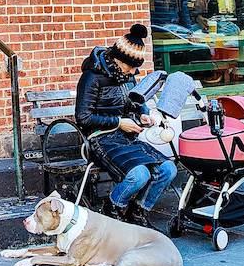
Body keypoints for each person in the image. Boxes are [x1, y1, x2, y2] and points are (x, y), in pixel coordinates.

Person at [74, 23, 178, 227]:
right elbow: (83, 118)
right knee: (139, 175)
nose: (133, 71)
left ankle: (138, 214)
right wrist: (120, 123)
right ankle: (112, 210)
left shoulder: (127, 76)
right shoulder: (92, 77)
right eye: (129, 66)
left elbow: (135, 102)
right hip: (100, 140)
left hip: (127, 138)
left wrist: (144, 114)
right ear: (117, 59)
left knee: (168, 169)